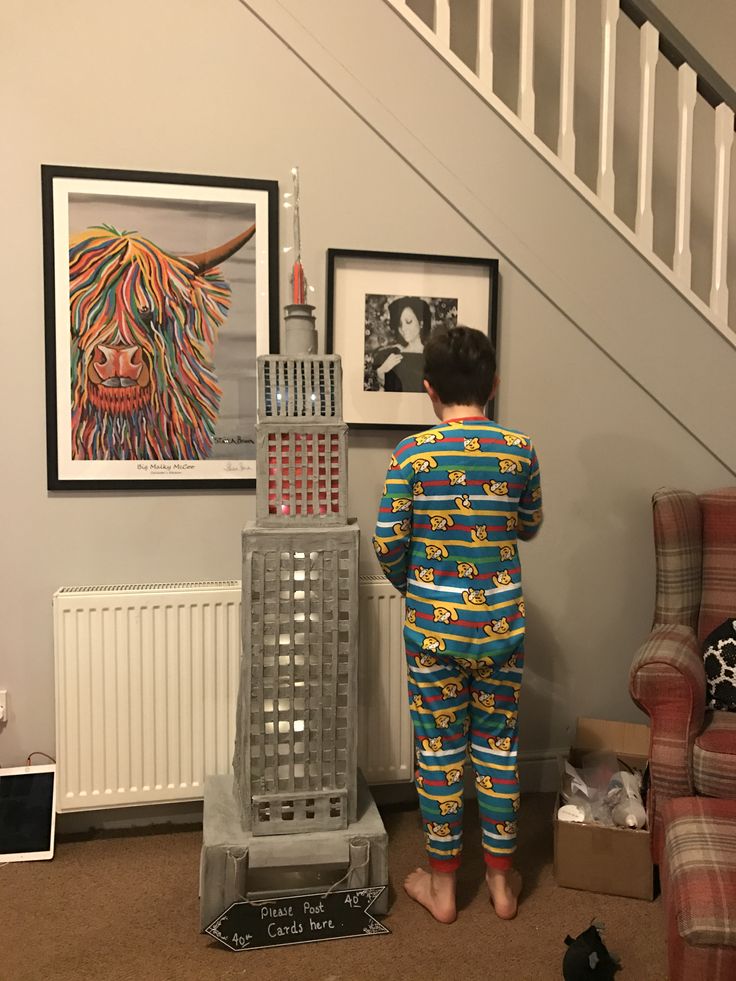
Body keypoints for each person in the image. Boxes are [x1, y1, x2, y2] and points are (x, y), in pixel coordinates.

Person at [372, 325, 543, 924]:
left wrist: (416, 587)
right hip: (501, 627)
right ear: (494, 385)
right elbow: (529, 523)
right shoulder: (519, 450)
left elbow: (387, 543)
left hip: (434, 635)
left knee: (439, 752)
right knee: (498, 749)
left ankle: (444, 891)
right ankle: (500, 885)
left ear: (428, 390)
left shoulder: (411, 456)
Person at [372, 296, 432, 392]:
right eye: (400, 324)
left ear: (421, 323)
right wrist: (381, 373)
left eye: (408, 322)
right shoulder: (391, 355)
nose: (403, 328)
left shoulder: (431, 356)